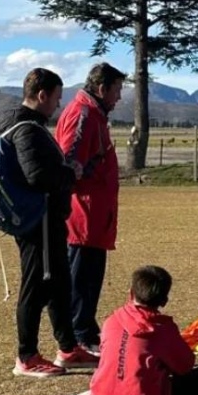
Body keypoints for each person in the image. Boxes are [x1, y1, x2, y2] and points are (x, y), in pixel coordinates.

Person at [0, 68, 99, 377]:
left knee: (58, 283)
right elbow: (37, 176)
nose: (58, 105)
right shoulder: (27, 128)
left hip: (46, 218)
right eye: (56, 97)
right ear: (42, 95)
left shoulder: (26, 125)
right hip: (35, 221)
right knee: (36, 285)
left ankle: (68, 348)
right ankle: (26, 355)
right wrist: (71, 173)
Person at [55, 62, 125, 354]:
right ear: (102, 88)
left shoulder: (95, 115)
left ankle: (86, 329)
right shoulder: (84, 115)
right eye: (117, 90)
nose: (119, 98)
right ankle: (78, 335)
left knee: (90, 276)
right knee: (80, 278)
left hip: (95, 216)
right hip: (83, 215)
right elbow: (69, 162)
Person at [90, 266, 198, 395]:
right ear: (164, 301)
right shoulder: (162, 328)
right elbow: (185, 366)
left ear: (130, 293)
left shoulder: (112, 321)